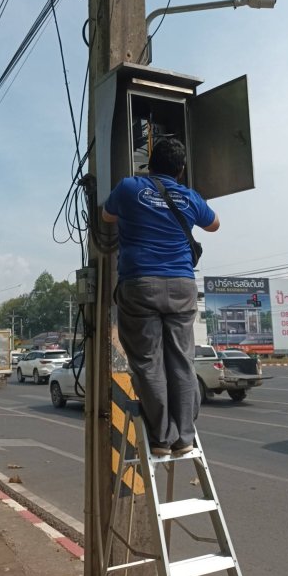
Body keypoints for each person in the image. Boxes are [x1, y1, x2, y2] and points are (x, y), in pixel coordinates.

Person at [103, 137, 220, 456]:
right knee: (182, 359)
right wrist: (187, 201)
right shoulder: (189, 196)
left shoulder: (128, 187)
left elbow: (107, 216)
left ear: (149, 163)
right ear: (180, 170)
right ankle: (183, 436)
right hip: (181, 285)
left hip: (141, 284)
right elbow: (214, 224)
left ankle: (162, 438)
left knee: (147, 360)